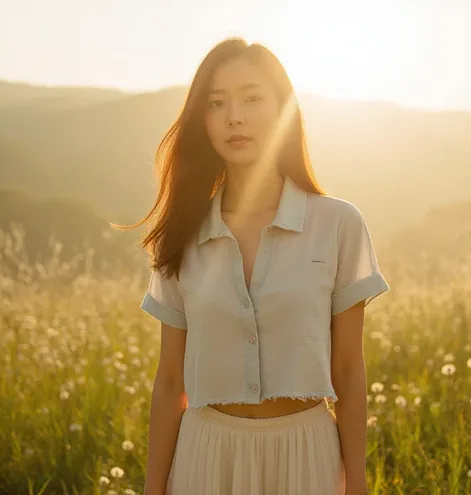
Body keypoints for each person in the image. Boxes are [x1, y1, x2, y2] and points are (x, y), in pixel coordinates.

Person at [124, 37, 389, 495]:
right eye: (216, 103)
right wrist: (154, 487)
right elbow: (170, 380)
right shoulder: (181, 234)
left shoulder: (338, 223)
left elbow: (348, 369)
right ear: (201, 119)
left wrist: (358, 482)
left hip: (306, 454)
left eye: (252, 98)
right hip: (205, 455)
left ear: (282, 109)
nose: (235, 117)